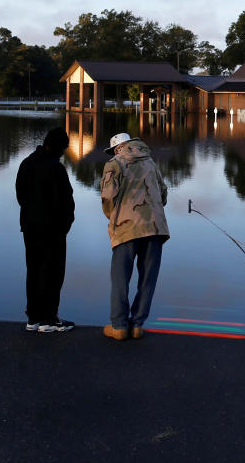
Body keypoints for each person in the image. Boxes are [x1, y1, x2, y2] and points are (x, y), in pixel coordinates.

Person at [100, 132, 169, 341]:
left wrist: (112, 217)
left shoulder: (114, 164)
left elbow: (107, 197)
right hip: (155, 228)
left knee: (120, 279)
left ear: (117, 149)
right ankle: (137, 324)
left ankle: (119, 326)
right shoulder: (150, 162)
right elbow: (163, 194)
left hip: (126, 228)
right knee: (148, 279)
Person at [15, 126, 75, 333]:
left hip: (30, 227)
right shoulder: (55, 168)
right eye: (63, 149)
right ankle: (50, 319)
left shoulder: (26, 164)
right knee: (53, 272)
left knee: (33, 270)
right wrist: (66, 225)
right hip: (53, 230)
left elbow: (20, 196)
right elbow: (66, 201)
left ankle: (33, 317)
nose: (63, 153)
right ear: (58, 147)